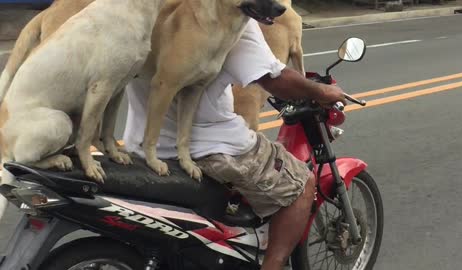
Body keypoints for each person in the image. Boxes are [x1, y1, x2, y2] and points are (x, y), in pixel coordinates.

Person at [123, 19, 346, 270]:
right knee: (301, 183)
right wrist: (322, 92)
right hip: (210, 148)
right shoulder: (230, 18)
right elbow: (275, 79)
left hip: (142, 146)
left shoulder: (151, 11)